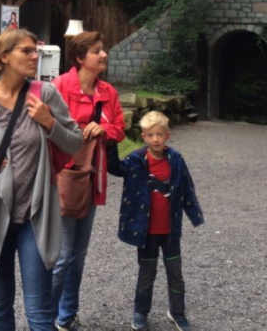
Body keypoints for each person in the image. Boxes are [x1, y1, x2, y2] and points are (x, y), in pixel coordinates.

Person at [0, 29, 82, 330]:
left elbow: (75, 142)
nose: (35, 56)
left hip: (34, 216)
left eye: (35, 50)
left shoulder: (45, 94)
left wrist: (49, 123)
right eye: (26, 50)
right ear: (4, 56)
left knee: (38, 311)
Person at [50, 31, 125, 330]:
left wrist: (104, 130)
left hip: (93, 177)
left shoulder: (108, 91)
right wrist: (80, 128)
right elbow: (46, 126)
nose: (104, 54)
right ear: (80, 58)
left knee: (78, 255)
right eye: (96, 51)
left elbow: (119, 128)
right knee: (62, 255)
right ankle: (43, 317)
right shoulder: (59, 87)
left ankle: (67, 315)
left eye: (102, 49)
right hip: (64, 177)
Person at [107, 111, 204, 331]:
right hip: (146, 231)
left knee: (175, 273)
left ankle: (177, 312)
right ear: (144, 136)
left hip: (170, 230)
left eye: (160, 134)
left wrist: (194, 214)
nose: (156, 139)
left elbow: (186, 187)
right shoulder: (136, 160)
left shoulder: (176, 159)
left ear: (167, 135)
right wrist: (111, 142)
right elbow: (115, 168)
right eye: (151, 135)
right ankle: (140, 312)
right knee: (146, 273)